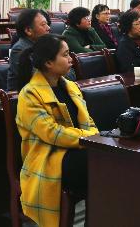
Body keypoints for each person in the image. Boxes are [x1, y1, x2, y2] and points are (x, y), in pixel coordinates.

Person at [16, 34, 99, 227]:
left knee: (110, 160)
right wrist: (92, 139)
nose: (71, 59)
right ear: (48, 63)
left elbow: (88, 121)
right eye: (65, 54)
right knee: (100, 163)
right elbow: (52, 133)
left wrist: (94, 137)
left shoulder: (70, 86)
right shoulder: (29, 94)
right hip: (47, 156)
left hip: (75, 149)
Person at [7, 9, 51, 91]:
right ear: (28, 30)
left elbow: (71, 73)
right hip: (23, 95)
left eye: (47, 24)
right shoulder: (19, 49)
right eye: (43, 24)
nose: (48, 28)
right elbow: (38, 78)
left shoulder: (47, 45)